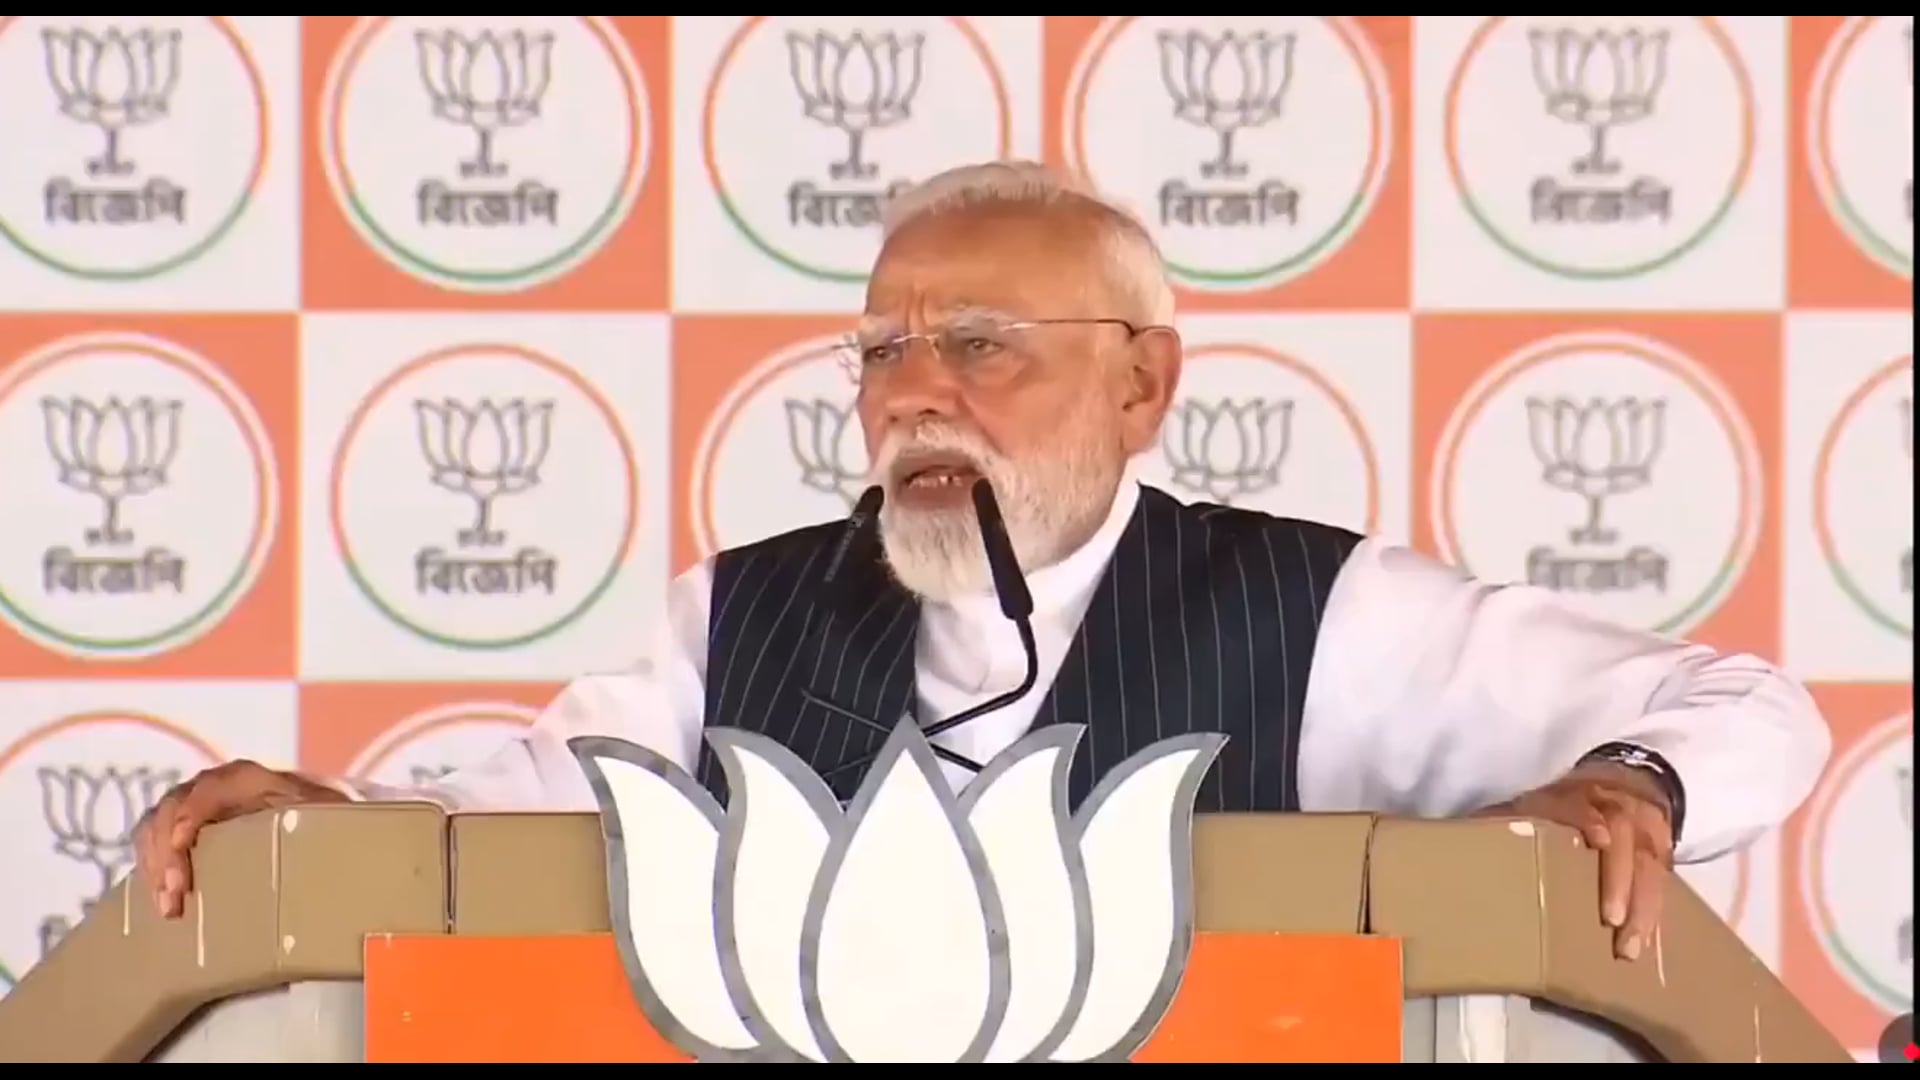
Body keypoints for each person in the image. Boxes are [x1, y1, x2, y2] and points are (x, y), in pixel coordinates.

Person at [133, 159, 1831, 964]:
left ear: (1145, 383)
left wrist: (1629, 781)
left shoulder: (1324, 615)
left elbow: (1752, 711)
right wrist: (332, 823)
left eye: (981, 344)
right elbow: (505, 823)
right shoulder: (735, 616)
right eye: (882, 351)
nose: (915, 392)